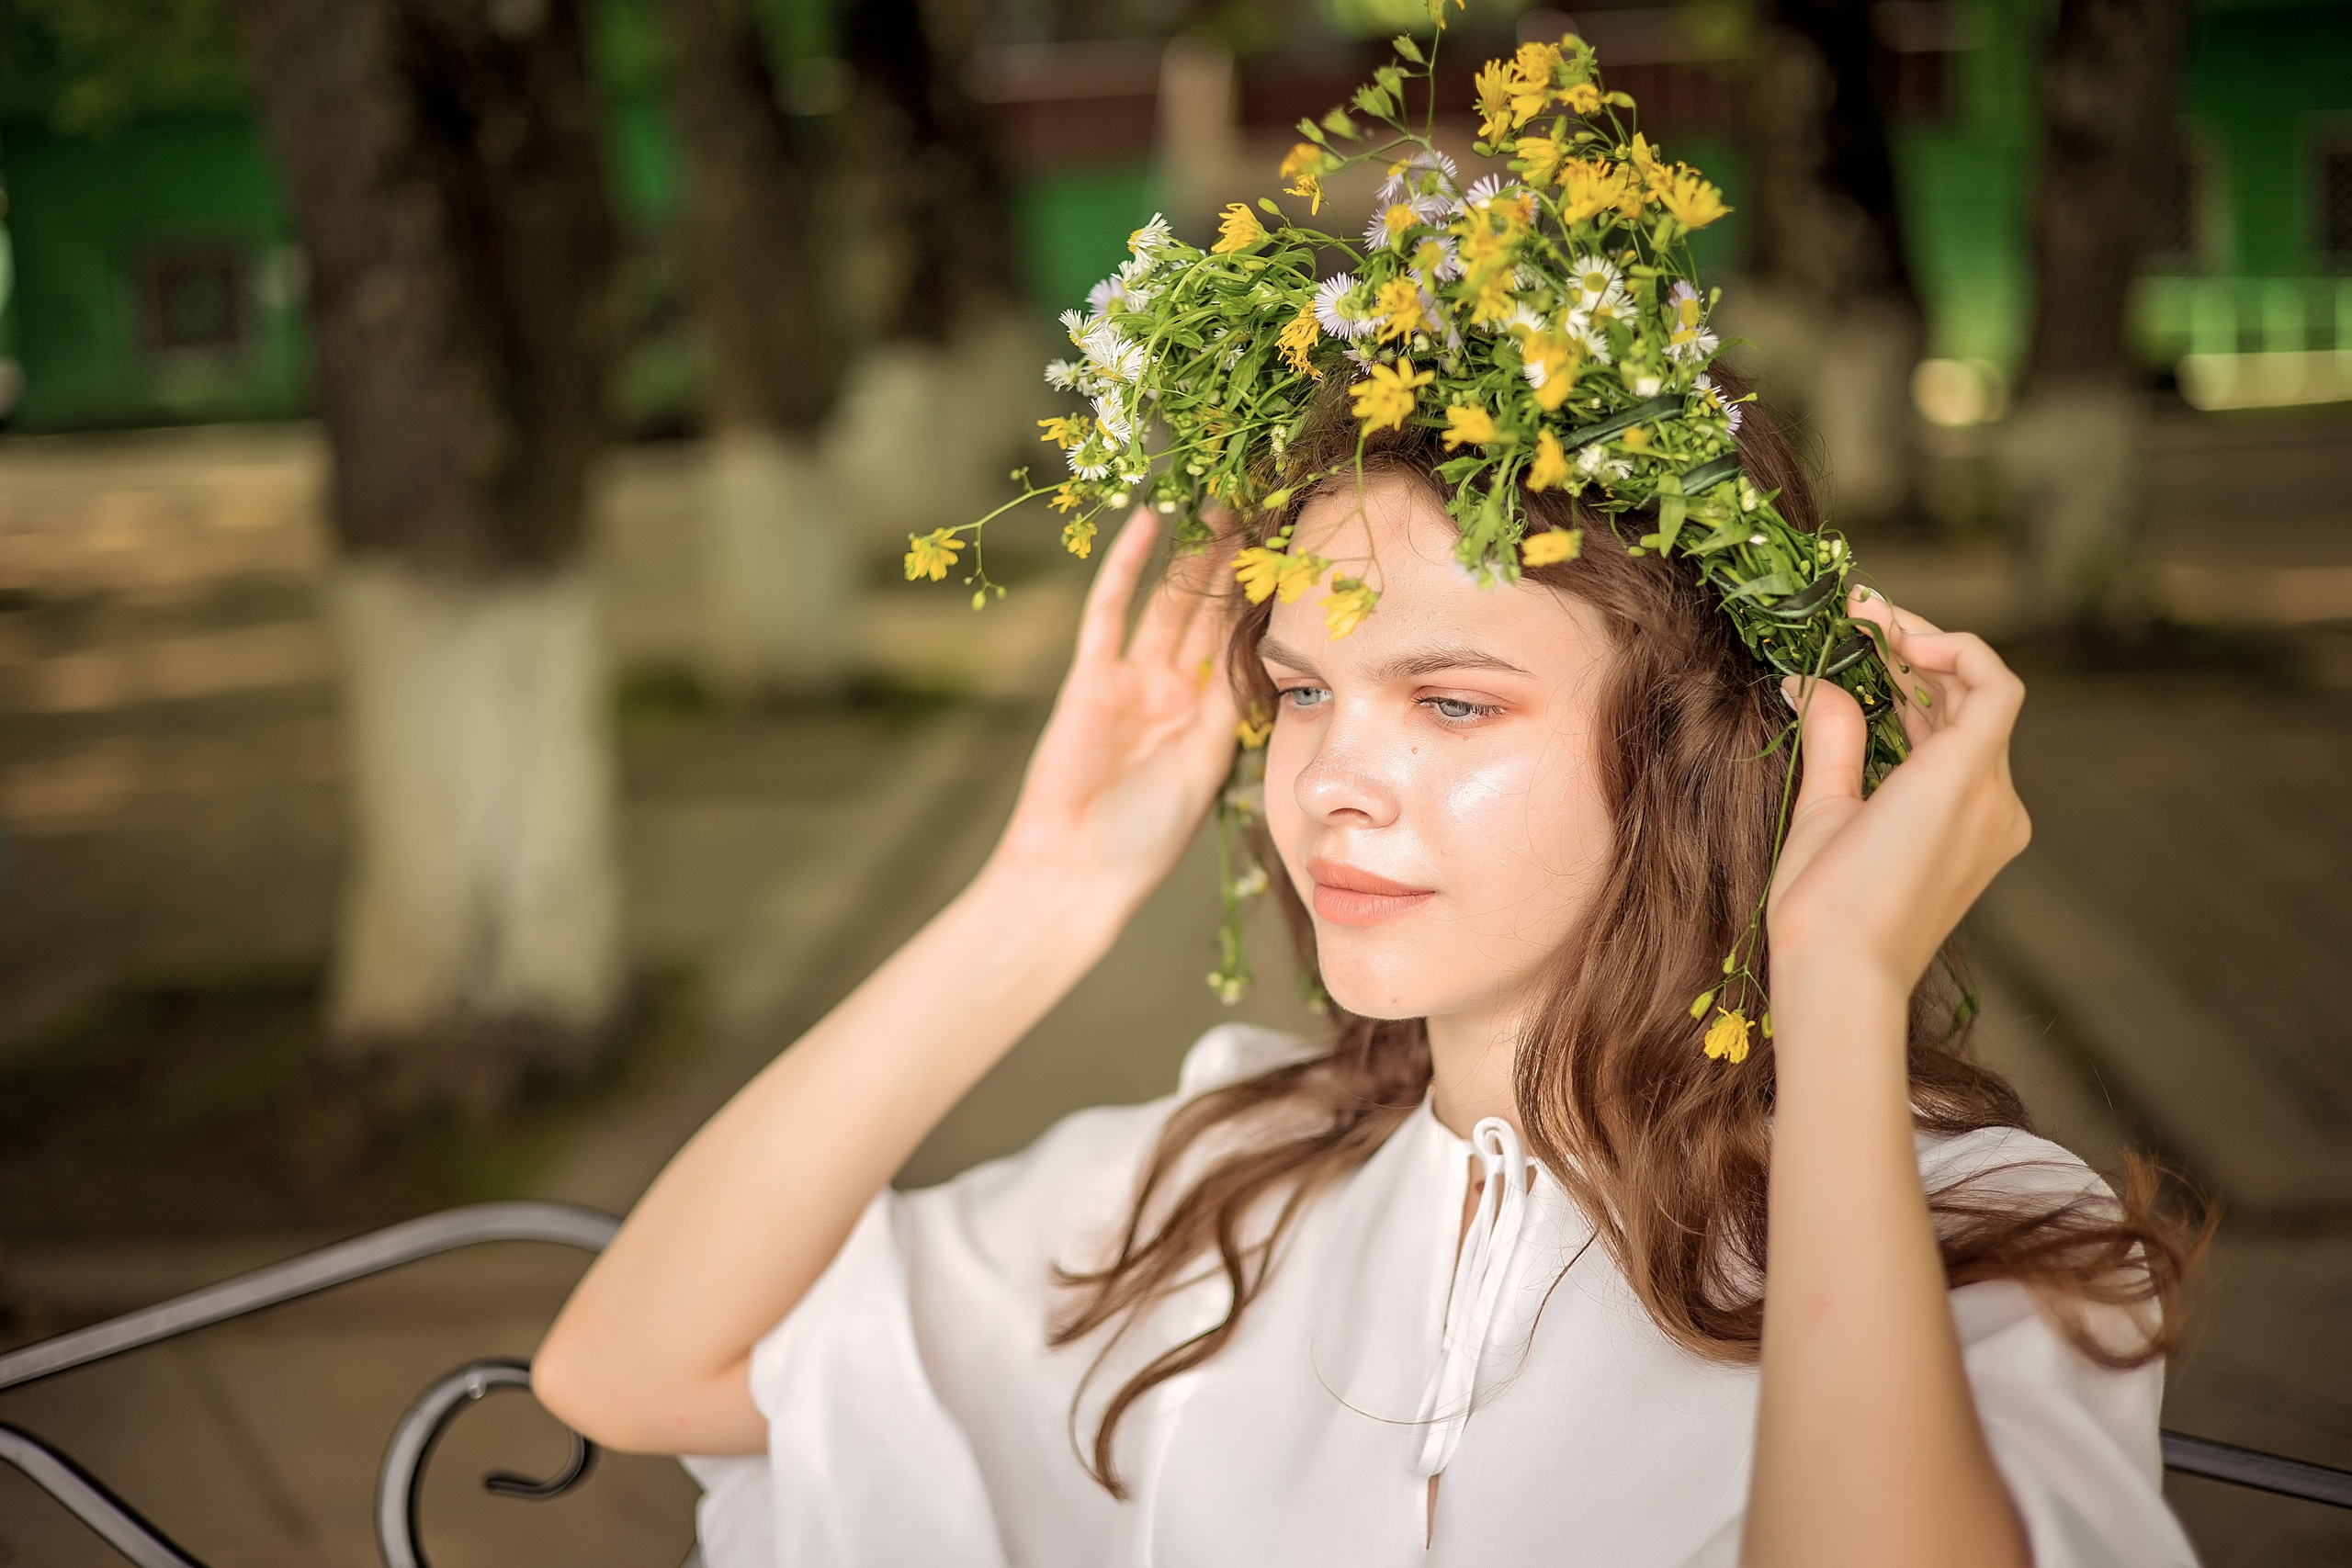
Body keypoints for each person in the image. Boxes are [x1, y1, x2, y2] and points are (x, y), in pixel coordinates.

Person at [537, 33, 2202, 1566]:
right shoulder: (1229, 1189)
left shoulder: (1971, 1235)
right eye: (1305, 693)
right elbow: (628, 1368)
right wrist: (1044, 889)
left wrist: (1837, 985)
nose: (1332, 782)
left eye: (1453, 704)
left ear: (1692, 746)